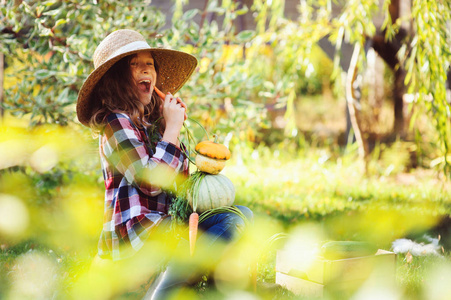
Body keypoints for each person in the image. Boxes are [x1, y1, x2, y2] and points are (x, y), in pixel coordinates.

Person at [76, 29, 252, 298]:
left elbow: (177, 183)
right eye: (134, 64)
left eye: (149, 63)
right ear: (116, 79)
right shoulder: (115, 122)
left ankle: (207, 286)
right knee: (222, 228)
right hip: (138, 232)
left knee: (240, 216)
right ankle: (165, 291)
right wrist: (171, 131)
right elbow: (151, 182)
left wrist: (172, 128)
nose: (145, 69)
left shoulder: (154, 122)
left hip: (167, 224)